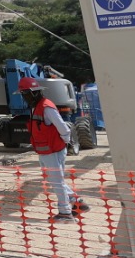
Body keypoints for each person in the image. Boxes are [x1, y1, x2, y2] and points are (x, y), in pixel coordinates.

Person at [20, 76, 88, 222]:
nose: (24, 97)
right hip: (46, 151)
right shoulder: (36, 107)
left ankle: (65, 213)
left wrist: (65, 142)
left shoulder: (46, 107)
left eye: (25, 94)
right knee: (55, 180)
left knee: (57, 181)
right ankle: (77, 202)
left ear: (33, 93)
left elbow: (63, 127)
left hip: (53, 150)